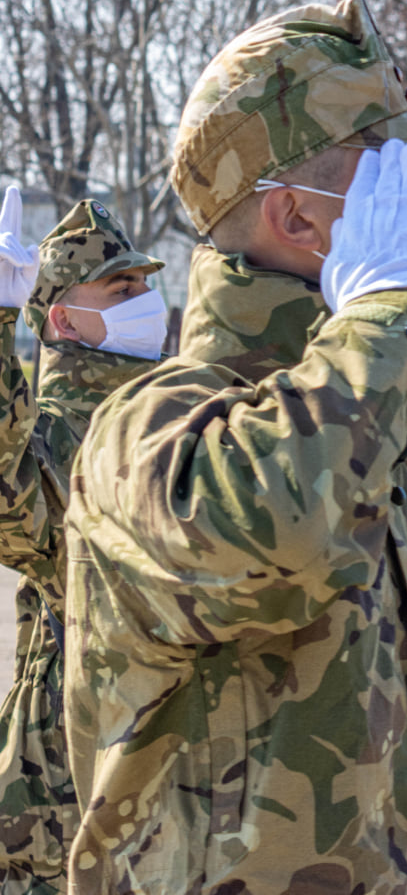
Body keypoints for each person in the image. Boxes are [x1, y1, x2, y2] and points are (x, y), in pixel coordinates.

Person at [61, 0, 407, 893]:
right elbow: (284, 525)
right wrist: (387, 312)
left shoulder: (382, 435)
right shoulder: (149, 429)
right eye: (389, 172)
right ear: (297, 219)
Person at [0, 193, 165, 894]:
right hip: (65, 792)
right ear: (64, 317)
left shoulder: (172, 411)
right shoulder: (60, 436)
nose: (146, 301)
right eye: (123, 288)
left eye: (146, 286)